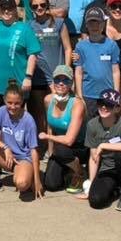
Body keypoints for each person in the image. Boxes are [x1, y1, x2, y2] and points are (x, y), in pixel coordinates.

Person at [0, 83, 43, 198]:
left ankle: (28, 175)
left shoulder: (29, 120)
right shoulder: (2, 111)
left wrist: (37, 179)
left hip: (23, 159)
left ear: (22, 102)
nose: (13, 106)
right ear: (4, 100)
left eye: (17, 103)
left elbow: (34, 151)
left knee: (21, 184)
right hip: (7, 157)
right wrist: (5, 147)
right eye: (9, 103)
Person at [82, 89, 121, 211]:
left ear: (117, 108)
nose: (103, 107)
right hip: (107, 169)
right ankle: (117, 190)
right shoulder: (92, 125)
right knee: (95, 201)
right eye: (100, 103)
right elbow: (94, 158)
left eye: (108, 105)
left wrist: (104, 145)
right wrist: (91, 184)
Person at [37, 65, 87, 193]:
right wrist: (50, 155)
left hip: (80, 146)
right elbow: (50, 128)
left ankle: (80, 172)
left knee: (61, 150)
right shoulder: (48, 100)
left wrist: (48, 138)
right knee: (51, 184)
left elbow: (69, 140)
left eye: (66, 80)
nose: (61, 83)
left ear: (71, 84)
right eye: (57, 79)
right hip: (61, 148)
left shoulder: (77, 104)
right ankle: (68, 168)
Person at [27, 0, 71, 132]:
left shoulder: (59, 23)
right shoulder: (29, 26)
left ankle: (58, 145)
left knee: (58, 112)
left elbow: (68, 48)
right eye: (35, 6)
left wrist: (67, 71)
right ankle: (41, 144)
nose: (39, 8)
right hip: (38, 76)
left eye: (42, 5)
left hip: (57, 75)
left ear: (47, 5)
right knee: (38, 112)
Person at [73, 8, 121, 118]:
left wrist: (116, 93)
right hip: (88, 94)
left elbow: (115, 71)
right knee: (89, 126)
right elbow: (78, 72)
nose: (94, 27)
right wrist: (79, 95)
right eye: (91, 23)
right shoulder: (80, 46)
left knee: (108, 126)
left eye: (98, 23)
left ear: (103, 24)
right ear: (86, 25)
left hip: (107, 93)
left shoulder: (111, 45)